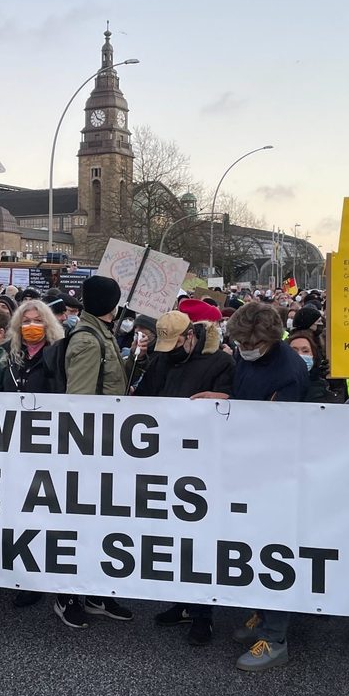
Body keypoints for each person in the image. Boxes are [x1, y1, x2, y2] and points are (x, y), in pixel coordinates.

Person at [137, 308, 234, 646]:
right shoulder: (162, 360)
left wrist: (223, 398)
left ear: (190, 336)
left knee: (201, 540)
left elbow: (235, 408)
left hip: (202, 464)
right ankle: (183, 603)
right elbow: (146, 397)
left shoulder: (221, 363)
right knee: (175, 539)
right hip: (166, 459)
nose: (170, 351)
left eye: (175, 344)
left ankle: (203, 613)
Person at [224, 301, 309, 671]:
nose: (245, 350)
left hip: (275, 473)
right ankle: (262, 616)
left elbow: (275, 429)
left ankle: (276, 637)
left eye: (251, 344)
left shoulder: (289, 370)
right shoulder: (248, 356)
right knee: (251, 547)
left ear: (270, 340)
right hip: (246, 466)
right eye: (240, 343)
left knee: (273, 552)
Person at [56, 275, 131, 627]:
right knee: (80, 524)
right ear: (110, 304)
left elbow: (108, 382)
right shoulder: (88, 339)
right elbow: (81, 401)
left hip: (106, 443)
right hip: (91, 446)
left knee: (101, 524)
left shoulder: (101, 332)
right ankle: (68, 595)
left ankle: (96, 590)